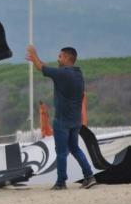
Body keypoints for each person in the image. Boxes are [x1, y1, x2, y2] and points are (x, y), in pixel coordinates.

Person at [26, 45, 96, 190]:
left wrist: (34, 55)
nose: (58, 59)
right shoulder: (77, 74)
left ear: (66, 58)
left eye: (60, 56)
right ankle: (89, 176)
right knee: (75, 148)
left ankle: (60, 182)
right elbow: (48, 69)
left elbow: (42, 68)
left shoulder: (63, 74)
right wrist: (37, 61)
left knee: (61, 152)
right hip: (75, 120)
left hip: (62, 120)